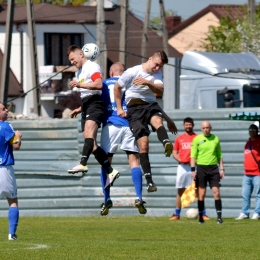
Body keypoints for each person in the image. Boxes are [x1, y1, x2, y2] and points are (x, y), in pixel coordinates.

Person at [114, 51, 178, 192]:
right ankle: (149, 182)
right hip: (134, 109)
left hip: (150, 105)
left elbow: (160, 91)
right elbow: (117, 87)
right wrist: (119, 108)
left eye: (160, 66)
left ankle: (166, 143)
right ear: (150, 59)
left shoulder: (156, 75)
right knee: (143, 146)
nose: (157, 68)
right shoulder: (132, 72)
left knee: (157, 121)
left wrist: (148, 82)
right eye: (156, 65)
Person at [67, 45, 119, 189]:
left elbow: (98, 85)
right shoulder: (80, 73)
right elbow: (86, 94)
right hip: (87, 104)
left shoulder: (92, 67)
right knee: (92, 144)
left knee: (89, 135)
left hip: (96, 104)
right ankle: (110, 170)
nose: (71, 62)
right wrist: (79, 109)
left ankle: (83, 163)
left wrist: (80, 84)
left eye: (72, 59)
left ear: (81, 54)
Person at [99, 62, 146, 215]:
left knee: (106, 163)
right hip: (128, 124)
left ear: (111, 72)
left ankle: (107, 199)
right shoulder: (129, 82)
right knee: (134, 161)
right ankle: (139, 197)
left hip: (111, 125)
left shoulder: (104, 84)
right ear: (123, 72)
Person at [170, 117, 209, 220]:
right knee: (180, 190)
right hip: (182, 167)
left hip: (195, 167)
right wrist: (180, 159)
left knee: (198, 190)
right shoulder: (179, 138)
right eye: (186, 124)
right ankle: (177, 214)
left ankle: (203, 213)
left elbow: (203, 151)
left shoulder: (199, 137)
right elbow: (174, 153)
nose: (188, 126)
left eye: (190, 124)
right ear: (184, 125)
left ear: (193, 125)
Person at [190, 120, 225, 224]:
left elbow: (219, 155)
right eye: (204, 128)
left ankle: (219, 217)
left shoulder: (216, 139)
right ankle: (201, 217)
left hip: (214, 168)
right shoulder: (197, 139)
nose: (206, 129)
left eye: (207, 127)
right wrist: (193, 170)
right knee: (202, 193)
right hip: (201, 168)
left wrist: (222, 168)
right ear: (201, 129)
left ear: (210, 128)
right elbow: (193, 156)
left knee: (216, 193)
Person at [0, 102, 22, 240]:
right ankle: (11, 234)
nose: (7, 110)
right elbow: (16, 146)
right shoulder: (6, 126)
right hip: (4, 169)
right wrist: (18, 135)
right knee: (13, 201)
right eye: (3, 109)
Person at [236, 124, 260, 220]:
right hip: (247, 173)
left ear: (257, 131)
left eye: (254, 130)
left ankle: (257, 213)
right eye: (250, 130)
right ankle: (245, 212)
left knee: (258, 194)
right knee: (245, 194)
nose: (252, 131)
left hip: (257, 173)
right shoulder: (248, 142)